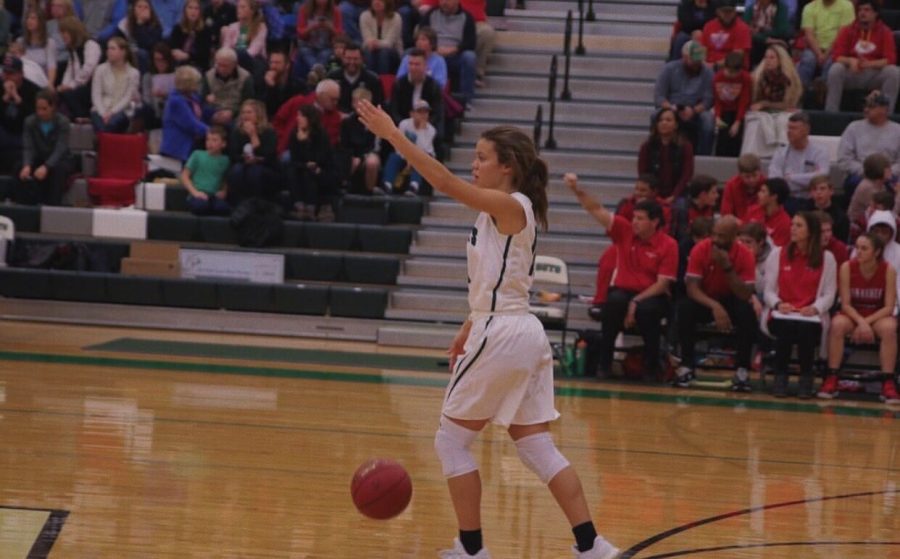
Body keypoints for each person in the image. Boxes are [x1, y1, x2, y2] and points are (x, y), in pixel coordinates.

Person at [356, 98, 621, 559]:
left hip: (502, 332)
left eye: (481, 158)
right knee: (536, 445)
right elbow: (496, 283)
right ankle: (592, 545)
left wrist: (394, 136)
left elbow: (441, 181)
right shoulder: (502, 212)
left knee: (451, 441)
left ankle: (473, 551)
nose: (473, 165)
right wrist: (466, 326)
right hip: (517, 329)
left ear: (507, 167)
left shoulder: (508, 203)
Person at [567, 174, 678, 380]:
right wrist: (576, 190)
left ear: (654, 222)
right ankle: (605, 363)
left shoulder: (668, 245)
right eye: (634, 217)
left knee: (648, 310)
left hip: (652, 295)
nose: (634, 222)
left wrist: (636, 300)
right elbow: (595, 209)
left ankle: (652, 365)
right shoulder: (625, 231)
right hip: (623, 291)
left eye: (640, 218)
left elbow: (663, 284)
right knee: (614, 303)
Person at [675, 215, 757, 391]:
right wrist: (715, 306)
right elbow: (692, 288)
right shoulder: (700, 249)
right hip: (706, 298)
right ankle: (687, 365)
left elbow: (745, 294)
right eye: (714, 234)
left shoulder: (745, 255)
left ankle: (742, 370)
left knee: (747, 312)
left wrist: (727, 267)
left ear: (734, 236)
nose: (716, 240)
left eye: (722, 236)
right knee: (685, 307)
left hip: (732, 298)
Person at [762, 211, 837, 397]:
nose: (793, 229)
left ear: (811, 231)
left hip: (810, 315)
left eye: (799, 225)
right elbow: (768, 291)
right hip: (782, 313)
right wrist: (778, 304)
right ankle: (780, 376)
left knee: (805, 329)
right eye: (792, 225)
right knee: (785, 326)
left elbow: (829, 294)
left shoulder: (827, 258)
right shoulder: (777, 254)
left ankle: (806, 377)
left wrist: (815, 308)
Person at [819, 232, 898, 404]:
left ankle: (888, 382)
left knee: (889, 328)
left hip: (877, 315)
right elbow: (845, 304)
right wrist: (861, 322)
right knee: (837, 324)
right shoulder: (847, 267)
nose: (858, 252)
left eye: (864, 248)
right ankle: (832, 377)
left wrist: (866, 323)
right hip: (853, 314)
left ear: (876, 252)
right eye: (857, 248)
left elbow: (889, 307)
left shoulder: (888, 270)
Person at [825, 0, 898, 113]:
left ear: (875, 13)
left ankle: (886, 114)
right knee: (836, 69)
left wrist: (869, 64)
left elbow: (890, 59)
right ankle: (830, 112)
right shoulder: (847, 30)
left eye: (867, 10)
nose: (862, 13)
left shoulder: (885, 32)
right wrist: (849, 60)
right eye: (860, 10)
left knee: (894, 72)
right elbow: (836, 56)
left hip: (874, 75)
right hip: (852, 73)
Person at [836, 91, 900, 202]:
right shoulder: (853, 128)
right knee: (853, 183)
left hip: (890, 176)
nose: (866, 109)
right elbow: (844, 158)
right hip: (861, 174)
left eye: (871, 107)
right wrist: (868, 172)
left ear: (884, 109)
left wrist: (886, 173)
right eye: (865, 106)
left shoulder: (897, 130)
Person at [740, 44, 802, 158]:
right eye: (766, 57)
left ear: (780, 60)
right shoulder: (757, 78)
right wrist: (763, 106)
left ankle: (784, 155)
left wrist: (765, 104)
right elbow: (754, 102)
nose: (768, 61)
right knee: (756, 123)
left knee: (785, 121)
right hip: (762, 112)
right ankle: (750, 158)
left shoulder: (789, 79)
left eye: (772, 57)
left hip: (782, 111)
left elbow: (788, 104)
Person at [654, 40, 714, 155]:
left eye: (699, 60)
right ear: (684, 57)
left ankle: (704, 156)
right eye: (693, 60)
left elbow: (709, 99)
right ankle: (657, 152)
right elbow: (659, 96)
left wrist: (694, 110)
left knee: (708, 121)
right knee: (656, 116)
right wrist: (671, 108)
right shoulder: (669, 69)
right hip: (672, 106)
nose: (697, 63)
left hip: (696, 109)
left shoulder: (708, 72)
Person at [767, 111, 830, 214]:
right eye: (789, 128)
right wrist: (807, 181)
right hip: (788, 199)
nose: (789, 132)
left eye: (794, 128)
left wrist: (791, 177)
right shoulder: (780, 152)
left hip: (812, 200)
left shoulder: (820, 152)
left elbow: (822, 177)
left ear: (806, 130)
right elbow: (775, 182)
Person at [17, 88, 70, 205]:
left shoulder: (63, 122)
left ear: (53, 107)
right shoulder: (29, 122)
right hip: (39, 157)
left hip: (58, 160)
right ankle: (24, 205)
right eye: (38, 109)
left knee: (59, 171)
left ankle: (53, 205)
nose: (40, 112)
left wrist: (47, 166)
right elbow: (28, 146)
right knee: (19, 167)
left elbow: (60, 148)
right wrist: (27, 165)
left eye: (44, 109)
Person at [422, 0, 476, 108]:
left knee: (470, 57)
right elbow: (422, 33)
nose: (444, 3)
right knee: (410, 53)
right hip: (433, 52)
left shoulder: (467, 17)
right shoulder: (431, 14)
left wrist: (454, 49)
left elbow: (470, 43)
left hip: (455, 55)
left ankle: (466, 99)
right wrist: (433, 49)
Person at [226, 98, 280, 205]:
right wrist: (244, 159)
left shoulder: (268, 131)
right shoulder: (237, 131)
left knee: (254, 172)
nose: (245, 115)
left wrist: (253, 135)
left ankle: (256, 204)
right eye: (243, 112)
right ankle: (238, 204)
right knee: (236, 171)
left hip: (264, 166)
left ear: (258, 114)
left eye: (249, 112)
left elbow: (269, 155)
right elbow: (233, 154)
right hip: (243, 164)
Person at [288, 103, 335, 219]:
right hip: (302, 167)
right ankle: (299, 206)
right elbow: (295, 158)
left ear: (309, 118)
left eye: (301, 116)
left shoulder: (321, 134)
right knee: (293, 171)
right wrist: (304, 163)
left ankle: (310, 208)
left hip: (321, 169)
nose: (297, 118)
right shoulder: (294, 134)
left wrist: (305, 143)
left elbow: (320, 158)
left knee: (310, 172)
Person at [381, 98, 435, 195]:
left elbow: (423, 149)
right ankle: (387, 184)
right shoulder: (404, 124)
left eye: (425, 112)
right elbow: (398, 145)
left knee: (420, 159)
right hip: (404, 155)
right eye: (419, 112)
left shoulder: (431, 130)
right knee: (393, 157)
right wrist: (408, 157)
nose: (423, 115)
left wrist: (422, 130)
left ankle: (414, 186)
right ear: (412, 113)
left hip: (424, 157)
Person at [796, 0, 854, 87]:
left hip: (837, 49)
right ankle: (801, 93)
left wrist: (826, 55)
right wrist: (819, 54)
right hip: (814, 49)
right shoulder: (809, 7)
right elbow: (809, 35)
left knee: (831, 62)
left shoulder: (847, 6)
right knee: (808, 60)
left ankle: (822, 90)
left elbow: (842, 35)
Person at [390, 47, 444, 139]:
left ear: (425, 66)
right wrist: (408, 126)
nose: (413, 68)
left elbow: (437, 113)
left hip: (426, 129)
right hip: (403, 129)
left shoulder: (434, 86)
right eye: (410, 64)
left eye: (417, 64)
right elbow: (394, 111)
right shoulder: (399, 84)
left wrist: (423, 126)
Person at [90, 36, 140, 133]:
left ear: (123, 52)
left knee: (110, 125)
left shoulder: (134, 73)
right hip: (101, 109)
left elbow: (127, 97)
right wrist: (103, 113)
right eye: (108, 48)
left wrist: (111, 112)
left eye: (113, 48)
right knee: (103, 125)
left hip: (121, 110)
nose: (109, 51)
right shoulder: (100, 69)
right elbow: (96, 95)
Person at [160, 65, 208, 162]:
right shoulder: (176, 101)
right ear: (189, 84)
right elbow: (191, 124)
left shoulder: (193, 97)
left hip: (191, 142)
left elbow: (201, 113)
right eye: (197, 82)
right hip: (178, 147)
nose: (199, 84)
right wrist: (212, 132)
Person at [0, 55, 39, 175]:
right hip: (4, 132)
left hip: (24, 133)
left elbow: (36, 118)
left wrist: (18, 100)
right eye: (5, 73)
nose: (7, 77)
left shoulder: (34, 90)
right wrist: (4, 100)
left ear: (21, 74)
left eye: (11, 74)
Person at [56, 15, 100, 119]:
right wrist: (64, 85)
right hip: (80, 84)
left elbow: (88, 69)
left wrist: (71, 85)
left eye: (64, 33)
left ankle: (84, 117)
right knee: (57, 94)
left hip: (93, 85)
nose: (62, 36)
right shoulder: (73, 49)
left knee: (70, 94)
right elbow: (69, 70)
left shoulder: (90, 45)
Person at [338, 86, 379, 194]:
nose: (357, 105)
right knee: (349, 161)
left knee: (372, 162)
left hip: (368, 153)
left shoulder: (375, 122)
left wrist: (361, 158)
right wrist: (352, 157)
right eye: (355, 102)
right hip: (350, 153)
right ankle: (343, 186)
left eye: (361, 102)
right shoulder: (347, 122)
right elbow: (344, 144)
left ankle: (370, 191)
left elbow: (375, 146)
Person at [182, 126, 231, 215]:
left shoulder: (225, 160)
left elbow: (225, 179)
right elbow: (185, 176)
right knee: (201, 206)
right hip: (198, 193)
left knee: (222, 208)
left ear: (223, 144)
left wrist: (224, 191)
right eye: (208, 140)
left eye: (214, 140)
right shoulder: (197, 155)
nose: (210, 143)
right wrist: (195, 192)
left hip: (214, 195)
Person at [712, 51, 751, 157]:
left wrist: (737, 122)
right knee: (723, 134)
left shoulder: (746, 78)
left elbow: (744, 101)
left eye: (734, 73)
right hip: (723, 109)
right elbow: (717, 101)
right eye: (729, 71)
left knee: (736, 134)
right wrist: (717, 117)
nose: (731, 75)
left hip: (738, 110)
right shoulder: (717, 78)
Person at [202, 46, 254, 126]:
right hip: (214, 111)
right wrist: (207, 100)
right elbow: (202, 98)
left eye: (225, 66)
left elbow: (247, 102)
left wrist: (233, 113)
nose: (221, 69)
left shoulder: (245, 78)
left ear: (235, 64)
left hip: (236, 113)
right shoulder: (208, 75)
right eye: (219, 65)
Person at [326, 41, 384, 113]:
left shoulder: (373, 80)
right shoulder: (332, 77)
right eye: (348, 58)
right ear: (342, 58)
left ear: (362, 59)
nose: (352, 62)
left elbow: (379, 106)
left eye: (355, 59)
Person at [220, 0, 267, 80]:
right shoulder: (232, 27)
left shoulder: (261, 27)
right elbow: (225, 48)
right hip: (233, 62)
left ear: (252, 11)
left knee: (241, 53)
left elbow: (253, 51)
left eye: (242, 7)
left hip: (252, 63)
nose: (238, 10)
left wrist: (234, 58)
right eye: (238, 7)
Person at [295, 0, 342, 79]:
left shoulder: (335, 11)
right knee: (306, 53)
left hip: (326, 46)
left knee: (324, 55)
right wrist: (313, 27)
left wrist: (330, 27)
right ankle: (318, 73)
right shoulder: (304, 9)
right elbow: (300, 33)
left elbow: (340, 34)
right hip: (307, 45)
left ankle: (315, 76)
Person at [700, 0, 751, 70]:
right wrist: (703, 63)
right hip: (708, 67)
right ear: (717, 12)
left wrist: (715, 65)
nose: (727, 14)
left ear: (735, 12)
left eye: (730, 11)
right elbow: (703, 50)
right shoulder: (709, 26)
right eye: (724, 11)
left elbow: (736, 57)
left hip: (732, 69)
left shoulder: (742, 28)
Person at [115, 0, 163, 73]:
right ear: (134, 9)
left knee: (141, 54)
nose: (142, 9)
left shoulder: (156, 25)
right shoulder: (125, 23)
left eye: (146, 7)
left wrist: (140, 24)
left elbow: (148, 45)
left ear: (150, 10)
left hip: (147, 56)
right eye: (139, 7)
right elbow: (119, 41)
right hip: (127, 51)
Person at [847, 153, 893, 226]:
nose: (891, 170)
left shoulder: (881, 185)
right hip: (858, 228)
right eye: (888, 168)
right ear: (879, 169)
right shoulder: (867, 187)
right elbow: (883, 213)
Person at [670, 174, 718, 243]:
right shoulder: (682, 209)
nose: (717, 196)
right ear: (703, 194)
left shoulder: (710, 207)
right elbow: (681, 237)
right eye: (714, 192)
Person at [743, 0, 791, 67]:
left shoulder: (781, 8)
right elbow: (745, 30)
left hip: (776, 40)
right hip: (756, 42)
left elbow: (781, 30)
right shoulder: (751, 9)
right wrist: (765, 39)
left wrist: (760, 31)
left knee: (781, 46)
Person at [745, 177, 792, 246]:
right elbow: (741, 235)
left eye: (763, 191)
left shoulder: (785, 223)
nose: (758, 194)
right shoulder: (752, 210)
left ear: (774, 196)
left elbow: (777, 250)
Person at [17, 5, 55, 89]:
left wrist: (50, 84)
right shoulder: (20, 41)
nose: (29, 21)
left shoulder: (49, 43)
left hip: (39, 82)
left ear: (41, 22)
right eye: (28, 18)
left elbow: (51, 66)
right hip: (23, 82)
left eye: (33, 18)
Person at [360, 0, 402, 75]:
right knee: (369, 51)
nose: (377, 2)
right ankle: (371, 79)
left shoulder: (396, 18)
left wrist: (375, 43)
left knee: (384, 52)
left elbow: (390, 42)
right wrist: (371, 43)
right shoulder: (364, 16)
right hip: (371, 48)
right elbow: (366, 38)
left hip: (392, 52)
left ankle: (383, 81)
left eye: (381, 0)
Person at [140, 42, 176, 129]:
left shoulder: (176, 75)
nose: (160, 63)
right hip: (154, 110)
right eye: (157, 60)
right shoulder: (148, 77)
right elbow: (146, 98)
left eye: (163, 60)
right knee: (145, 109)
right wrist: (153, 95)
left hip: (172, 108)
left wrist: (166, 94)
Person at [168, 0, 212, 70]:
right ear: (185, 11)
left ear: (200, 12)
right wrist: (176, 52)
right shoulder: (178, 28)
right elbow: (173, 47)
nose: (193, 11)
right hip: (179, 64)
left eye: (196, 8)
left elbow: (205, 54)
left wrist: (187, 56)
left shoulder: (205, 30)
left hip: (198, 65)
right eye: (190, 8)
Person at [721, 153, 765, 222]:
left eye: (755, 175)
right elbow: (726, 214)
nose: (752, 180)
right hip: (737, 225)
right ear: (740, 175)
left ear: (760, 172)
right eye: (747, 177)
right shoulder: (731, 185)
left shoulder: (766, 184)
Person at [260, 49, 302, 118]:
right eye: (271, 62)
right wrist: (271, 87)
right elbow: (265, 109)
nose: (273, 66)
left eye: (277, 63)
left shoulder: (298, 85)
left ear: (287, 65)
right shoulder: (263, 81)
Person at [809, 175, 849, 243]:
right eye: (815, 189)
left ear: (831, 191)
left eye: (822, 188)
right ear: (811, 193)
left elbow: (841, 243)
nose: (818, 192)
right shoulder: (805, 213)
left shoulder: (840, 217)